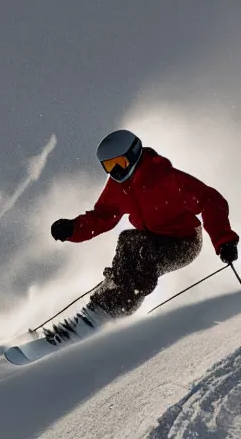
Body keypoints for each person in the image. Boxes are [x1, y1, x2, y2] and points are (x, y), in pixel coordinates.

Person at [46, 129, 238, 345]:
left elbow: (211, 200)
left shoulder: (167, 179)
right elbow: (104, 215)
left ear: (134, 154)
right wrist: (72, 228)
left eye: (119, 163)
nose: (116, 171)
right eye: (109, 166)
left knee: (142, 250)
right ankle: (98, 309)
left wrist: (224, 240)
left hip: (185, 242)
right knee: (128, 239)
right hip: (152, 237)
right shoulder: (119, 187)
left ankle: (116, 307)